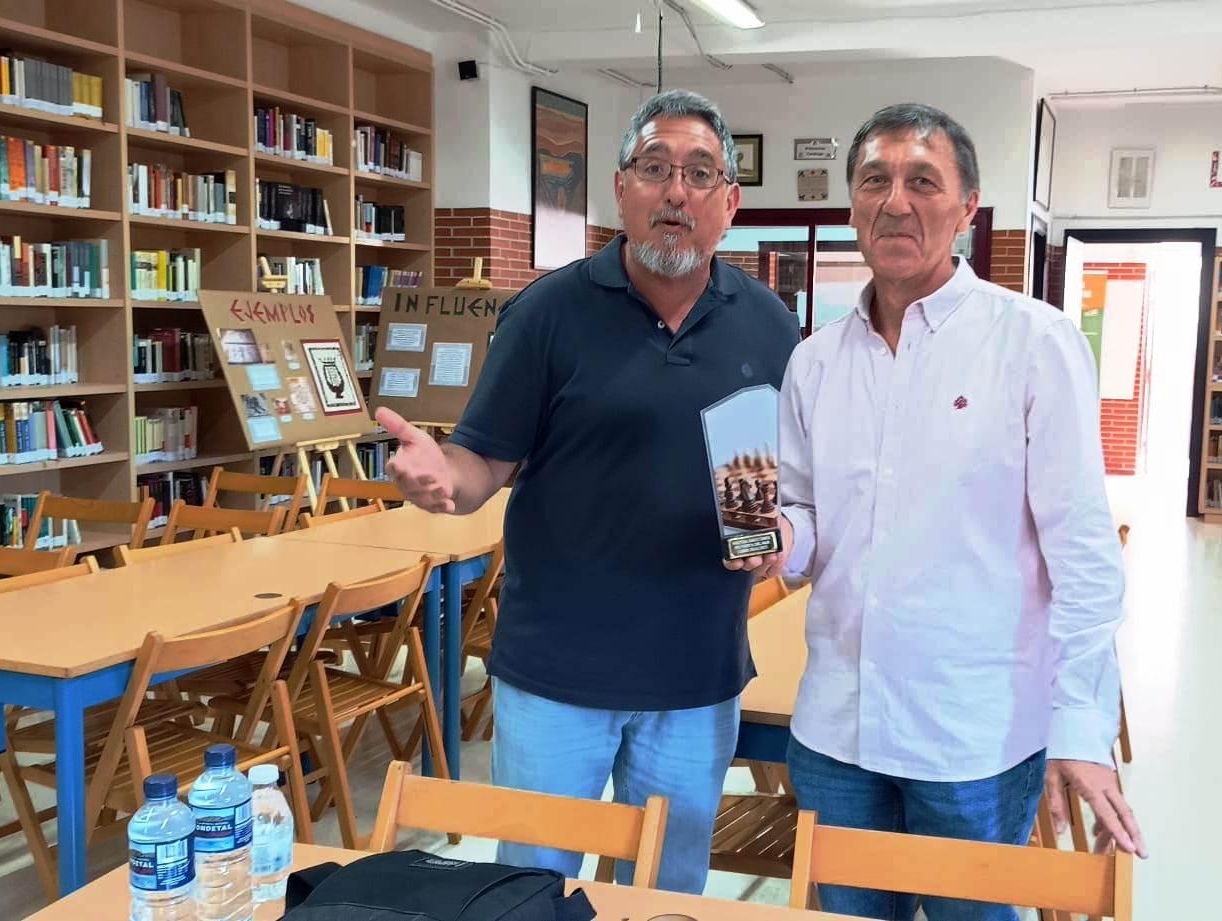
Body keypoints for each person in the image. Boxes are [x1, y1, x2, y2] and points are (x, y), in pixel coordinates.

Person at [371, 90, 798, 893]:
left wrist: (780, 532)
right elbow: (480, 464)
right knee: (532, 889)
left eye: (700, 173)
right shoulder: (547, 312)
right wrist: (442, 478)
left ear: (730, 203)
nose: (676, 191)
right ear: (621, 187)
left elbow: (789, 481)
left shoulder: (770, 326)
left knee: (666, 890)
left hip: (696, 674)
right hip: (555, 675)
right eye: (655, 167)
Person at [769, 103, 1143, 921]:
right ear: (852, 204)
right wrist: (780, 539)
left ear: (967, 207)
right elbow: (806, 513)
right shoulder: (814, 362)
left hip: (972, 738)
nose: (895, 202)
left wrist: (1081, 727)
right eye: (875, 180)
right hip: (836, 729)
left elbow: (1084, 555)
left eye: (923, 181)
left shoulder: (1033, 344)